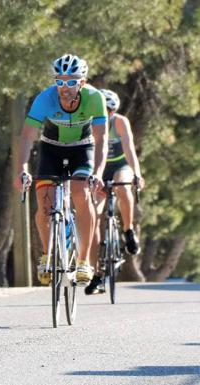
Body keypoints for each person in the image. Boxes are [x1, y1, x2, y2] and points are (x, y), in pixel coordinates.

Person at [14, 53, 108, 286]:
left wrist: (97, 171)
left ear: (82, 83)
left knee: (80, 191)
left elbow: (102, 138)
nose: (64, 87)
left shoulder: (94, 98)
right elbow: (27, 136)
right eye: (60, 81)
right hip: (51, 148)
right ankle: (47, 254)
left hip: (82, 148)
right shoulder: (45, 99)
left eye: (71, 81)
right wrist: (21, 169)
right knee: (43, 202)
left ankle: (84, 260)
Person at [85, 89, 145, 294]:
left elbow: (129, 150)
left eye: (110, 110)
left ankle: (128, 230)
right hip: (99, 170)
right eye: (103, 109)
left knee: (123, 187)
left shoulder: (120, 122)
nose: (107, 113)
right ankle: (95, 272)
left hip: (120, 166)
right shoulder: (88, 122)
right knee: (92, 214)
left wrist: (137, 174)